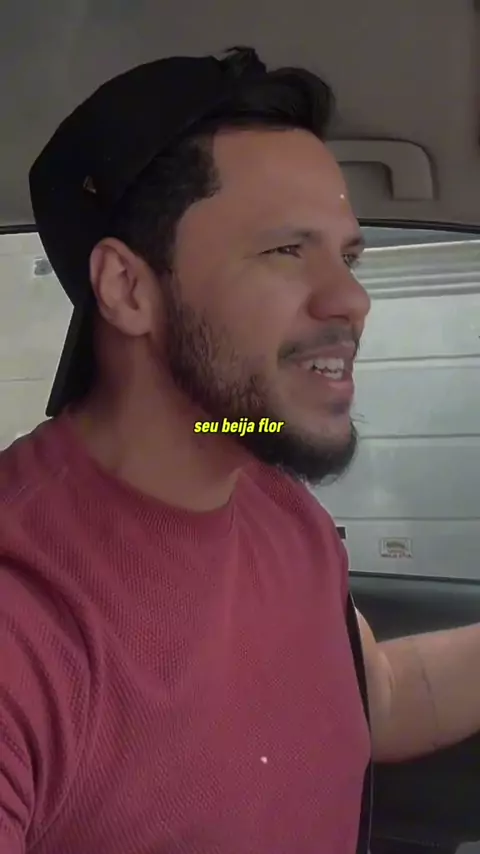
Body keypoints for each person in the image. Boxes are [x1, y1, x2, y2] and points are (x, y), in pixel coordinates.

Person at [0, 46, 479, 854]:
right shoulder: (24, 617)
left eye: (348, 257)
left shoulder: (268, 493)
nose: (353, 299)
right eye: (286, 250)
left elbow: (381, 695)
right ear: (128, 289)